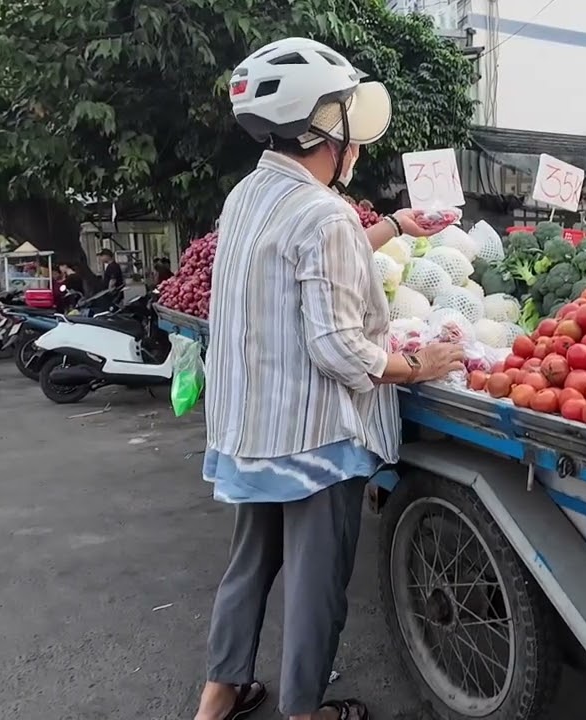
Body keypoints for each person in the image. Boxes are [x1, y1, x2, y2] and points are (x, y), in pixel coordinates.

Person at [192, 37, 466, 720]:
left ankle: (219, 695)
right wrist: (416, 365)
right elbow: (342, 350)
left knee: (250, 564)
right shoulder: (324, 214)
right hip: (314, 435)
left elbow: (306, 258)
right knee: (317, 585)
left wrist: (396, 226)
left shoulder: (248, 196)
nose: (358, 145)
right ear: (322, 130)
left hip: (252, 425)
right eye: (350, 125)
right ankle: (303, 710)